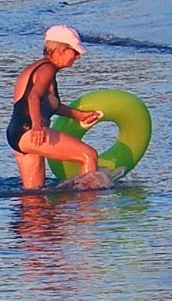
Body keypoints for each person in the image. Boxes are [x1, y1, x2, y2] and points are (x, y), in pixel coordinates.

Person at [7, 24, 103, 190]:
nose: (78, 57)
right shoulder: (47, 69)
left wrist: (77, 115)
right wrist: (37, 126)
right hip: (31, 131)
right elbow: (33, 96)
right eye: (74, 51)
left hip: (16, 133)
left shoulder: (36, 68)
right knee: (88, 155)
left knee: (33, 197)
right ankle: (89, 210)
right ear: (59, 50)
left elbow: (49, 105)